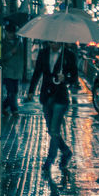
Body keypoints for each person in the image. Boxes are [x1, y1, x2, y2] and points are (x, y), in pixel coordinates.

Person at [27, 40, 78, 168]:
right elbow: (37, 72)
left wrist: (65, 78)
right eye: (50, 43)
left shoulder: (69, 55)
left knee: (55, 129)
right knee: (51, 129)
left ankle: (50, 160)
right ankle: (66, 152)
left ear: (61, 43)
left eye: (55, 43)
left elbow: (74, 78)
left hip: (61, 97)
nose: (53, 45)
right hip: (46, 95)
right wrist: (31, 90)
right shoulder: (43, 53)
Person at [0, 23, 27, 115]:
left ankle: (3, 107)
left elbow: (22, 58)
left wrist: (23, 71)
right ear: (5, 32)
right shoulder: (2, 43)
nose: (10, 35)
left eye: (12, 33)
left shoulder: (19, 43)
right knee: (11, 91)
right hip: (8, 72)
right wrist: (11, 52)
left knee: (14, 92)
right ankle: (14, 109)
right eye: (9, 33)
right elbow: (2, 57)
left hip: (17, 72)